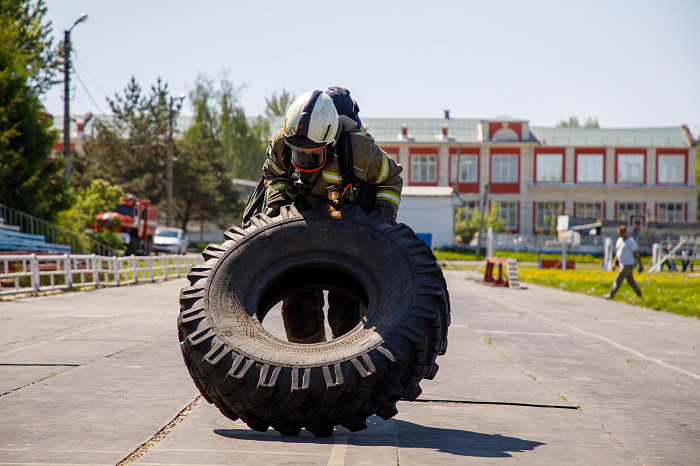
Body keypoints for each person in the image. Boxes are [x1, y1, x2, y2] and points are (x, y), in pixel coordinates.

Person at [262, 88, 403, 343]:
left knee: (347, 313)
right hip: (300, 229)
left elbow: (391, 178)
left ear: (330, 142)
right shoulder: (281, 145)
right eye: (299, 151)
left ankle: (347, 371)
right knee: (298, 311)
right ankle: (308, 367)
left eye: (313, 152)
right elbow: (272, 175)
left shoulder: (360, 152)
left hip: (349, 229)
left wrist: (382, 222)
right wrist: (277, 208)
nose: (304, 157)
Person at [603, 225, 643, 299]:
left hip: (627, 264)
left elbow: (636, 253)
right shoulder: (619, 240)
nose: (619, 233)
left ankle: (611, 294)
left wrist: (640, 264)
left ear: (625, 232)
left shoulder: (630, 241)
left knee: (618, 279)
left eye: (621, 232)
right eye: (619, 232)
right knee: (631, 282)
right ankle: (639, 295)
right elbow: (617, 252)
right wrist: (614, 262)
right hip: (622, 264)